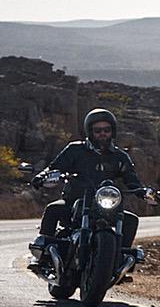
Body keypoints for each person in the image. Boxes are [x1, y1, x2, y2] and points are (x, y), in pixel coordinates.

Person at [27, 108, 150, 271]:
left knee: (130, 220)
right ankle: (42, 257)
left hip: (105, 205)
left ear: (112, 131)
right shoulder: (75, 150)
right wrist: (42, 176)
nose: (102, 133)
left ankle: (119, 261)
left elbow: (132, 180)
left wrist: (144, 192)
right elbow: (55, 167)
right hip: (74, 201)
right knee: (53, 209)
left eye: (106, 130)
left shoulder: (120, 157)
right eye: (98, 130)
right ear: (90, 131)